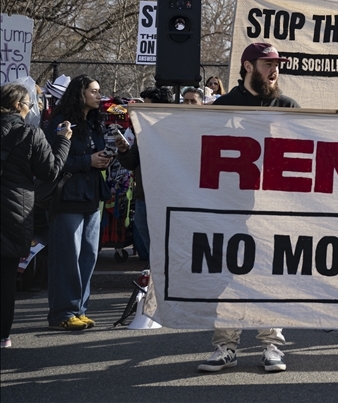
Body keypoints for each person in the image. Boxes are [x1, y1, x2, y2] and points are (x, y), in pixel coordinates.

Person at [199, 42, 297, 373]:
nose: (274, 69)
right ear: (247, 67)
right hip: (231, 207)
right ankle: (225, 346)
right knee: (227, 277)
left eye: (276, 64)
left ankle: (272, 344)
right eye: (267, 63)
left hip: (273, 210)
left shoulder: (288, 106)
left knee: (269, 276)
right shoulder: (224, 106)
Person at [1, 83, 72, 347]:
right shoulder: (30, 133)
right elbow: (50, 171)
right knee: (6, 277)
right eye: (30, 104)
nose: (32, 109)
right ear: (18, 105)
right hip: (14, 211)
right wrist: (63, 141)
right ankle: (3, 336)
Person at [44, 75, 114, 331]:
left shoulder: (95, 123)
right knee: (67, 257)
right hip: (67, 198)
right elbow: (51, 162)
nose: (99, 95)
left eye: (99, 91)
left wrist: (105, 158)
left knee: (88, 255)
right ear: (80, 93)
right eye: (94, 91)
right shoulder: (59, 122)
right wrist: (88, 162)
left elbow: (93, 155)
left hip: (91, 197)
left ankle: (79, 308)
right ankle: (63, 312)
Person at [116, 86, 175, 267]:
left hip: (169, 199)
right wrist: (124, 150)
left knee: (167, 246)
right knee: (151, 247)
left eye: (148, 107)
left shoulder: (177, 131)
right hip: (143, 197)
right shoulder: (143, 132)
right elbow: (131, 162)